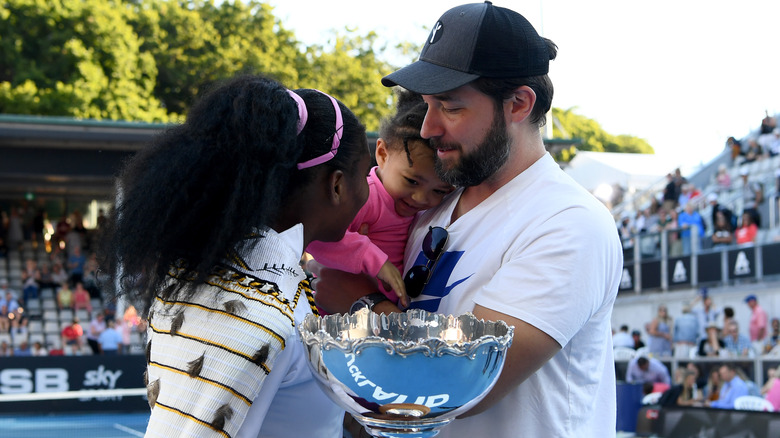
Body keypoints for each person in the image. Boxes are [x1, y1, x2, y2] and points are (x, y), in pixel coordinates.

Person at [313, 4, 623, 436]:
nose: (427, 128)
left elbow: (465, 385)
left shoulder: (568, 223)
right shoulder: (433, 200)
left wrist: (361, 303)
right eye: (426, 105)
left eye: (450, 107)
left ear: (518, 104)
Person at [97, 74, 371, 438]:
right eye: (366, 174)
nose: (372, 190)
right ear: (336, 185)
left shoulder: (203, 272)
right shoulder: (263, 312)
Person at [306, 90, 453, 308]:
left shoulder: (419, 210)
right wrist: (372, 257)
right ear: (383, 154)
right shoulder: (367, 197)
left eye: (440, 191)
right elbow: (315, 236)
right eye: (412, 181)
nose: (422, 198)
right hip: (338, 314)